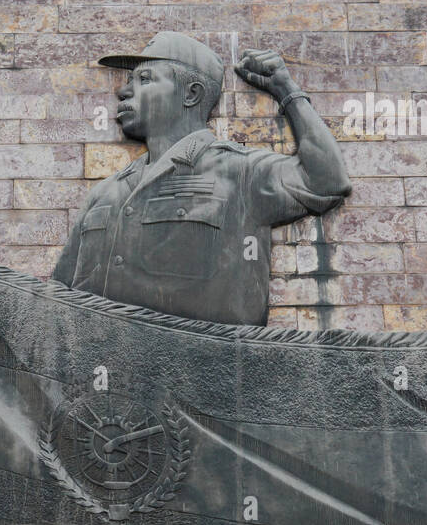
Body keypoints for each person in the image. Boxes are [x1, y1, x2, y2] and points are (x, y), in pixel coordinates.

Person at [51, 32, 350, 326]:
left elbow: (326, 181)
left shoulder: (239, 171)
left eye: (144, 80)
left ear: (191, 94)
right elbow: (56, 298)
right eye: (130, 81)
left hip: (204, 369)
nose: (124, 91)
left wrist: (287, 91)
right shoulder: (106, 193)